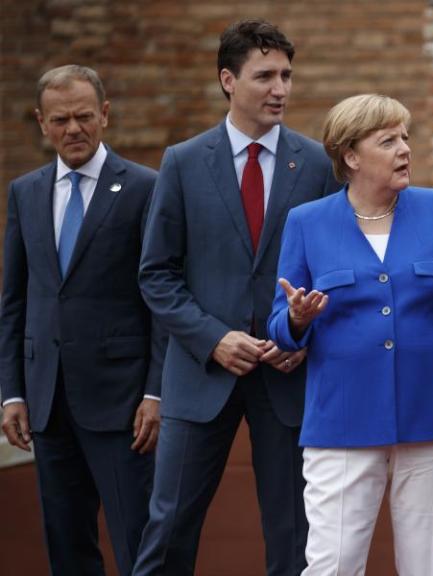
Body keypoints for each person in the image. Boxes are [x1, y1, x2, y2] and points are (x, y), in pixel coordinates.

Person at [134, 20, 339, 575]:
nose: (281, 89)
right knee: (168, 527)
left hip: (288, 379)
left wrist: (302, 336)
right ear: (228, 79)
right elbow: (156, 274)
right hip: (201, 376)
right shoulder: (181, 161)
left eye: (287, 76)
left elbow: (335, 272)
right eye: (265, 76)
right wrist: (214, 338)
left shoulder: (317, 164)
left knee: (295, 535)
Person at [267, 93, 433, 575]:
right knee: (332, 564)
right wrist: (297, 320)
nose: (404, 150)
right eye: (388, 140)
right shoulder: (308, 223)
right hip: (344, 417)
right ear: (350, 156)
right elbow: (281, 328)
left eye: (406, 138)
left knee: (429, 566)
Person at [0, 65, 163, 575]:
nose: (74, 129)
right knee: (67, 549)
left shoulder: (143, 188)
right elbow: (15, 299)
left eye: (84, 116)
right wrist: (12, 392)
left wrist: (156, 393)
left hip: (123, 407)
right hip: (47, 404)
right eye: (61, 119)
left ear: (105, 115)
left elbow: (160, 298)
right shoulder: (25, 192)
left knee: (140, 546)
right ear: (41, 122)